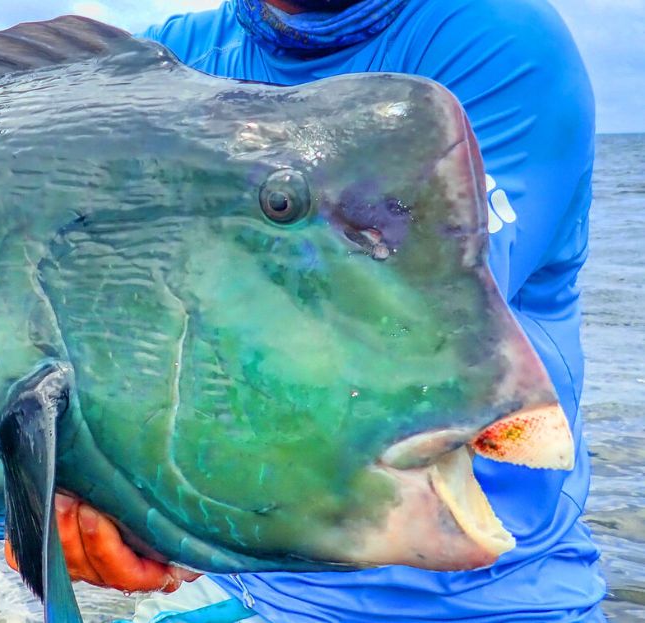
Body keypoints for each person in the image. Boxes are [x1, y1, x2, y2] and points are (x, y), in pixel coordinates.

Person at [44, 0, 606, 621]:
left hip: (484, 600)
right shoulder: (169, 61)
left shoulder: (493, 36)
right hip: (228, 579)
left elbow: (397, 332)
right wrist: (50, 487)